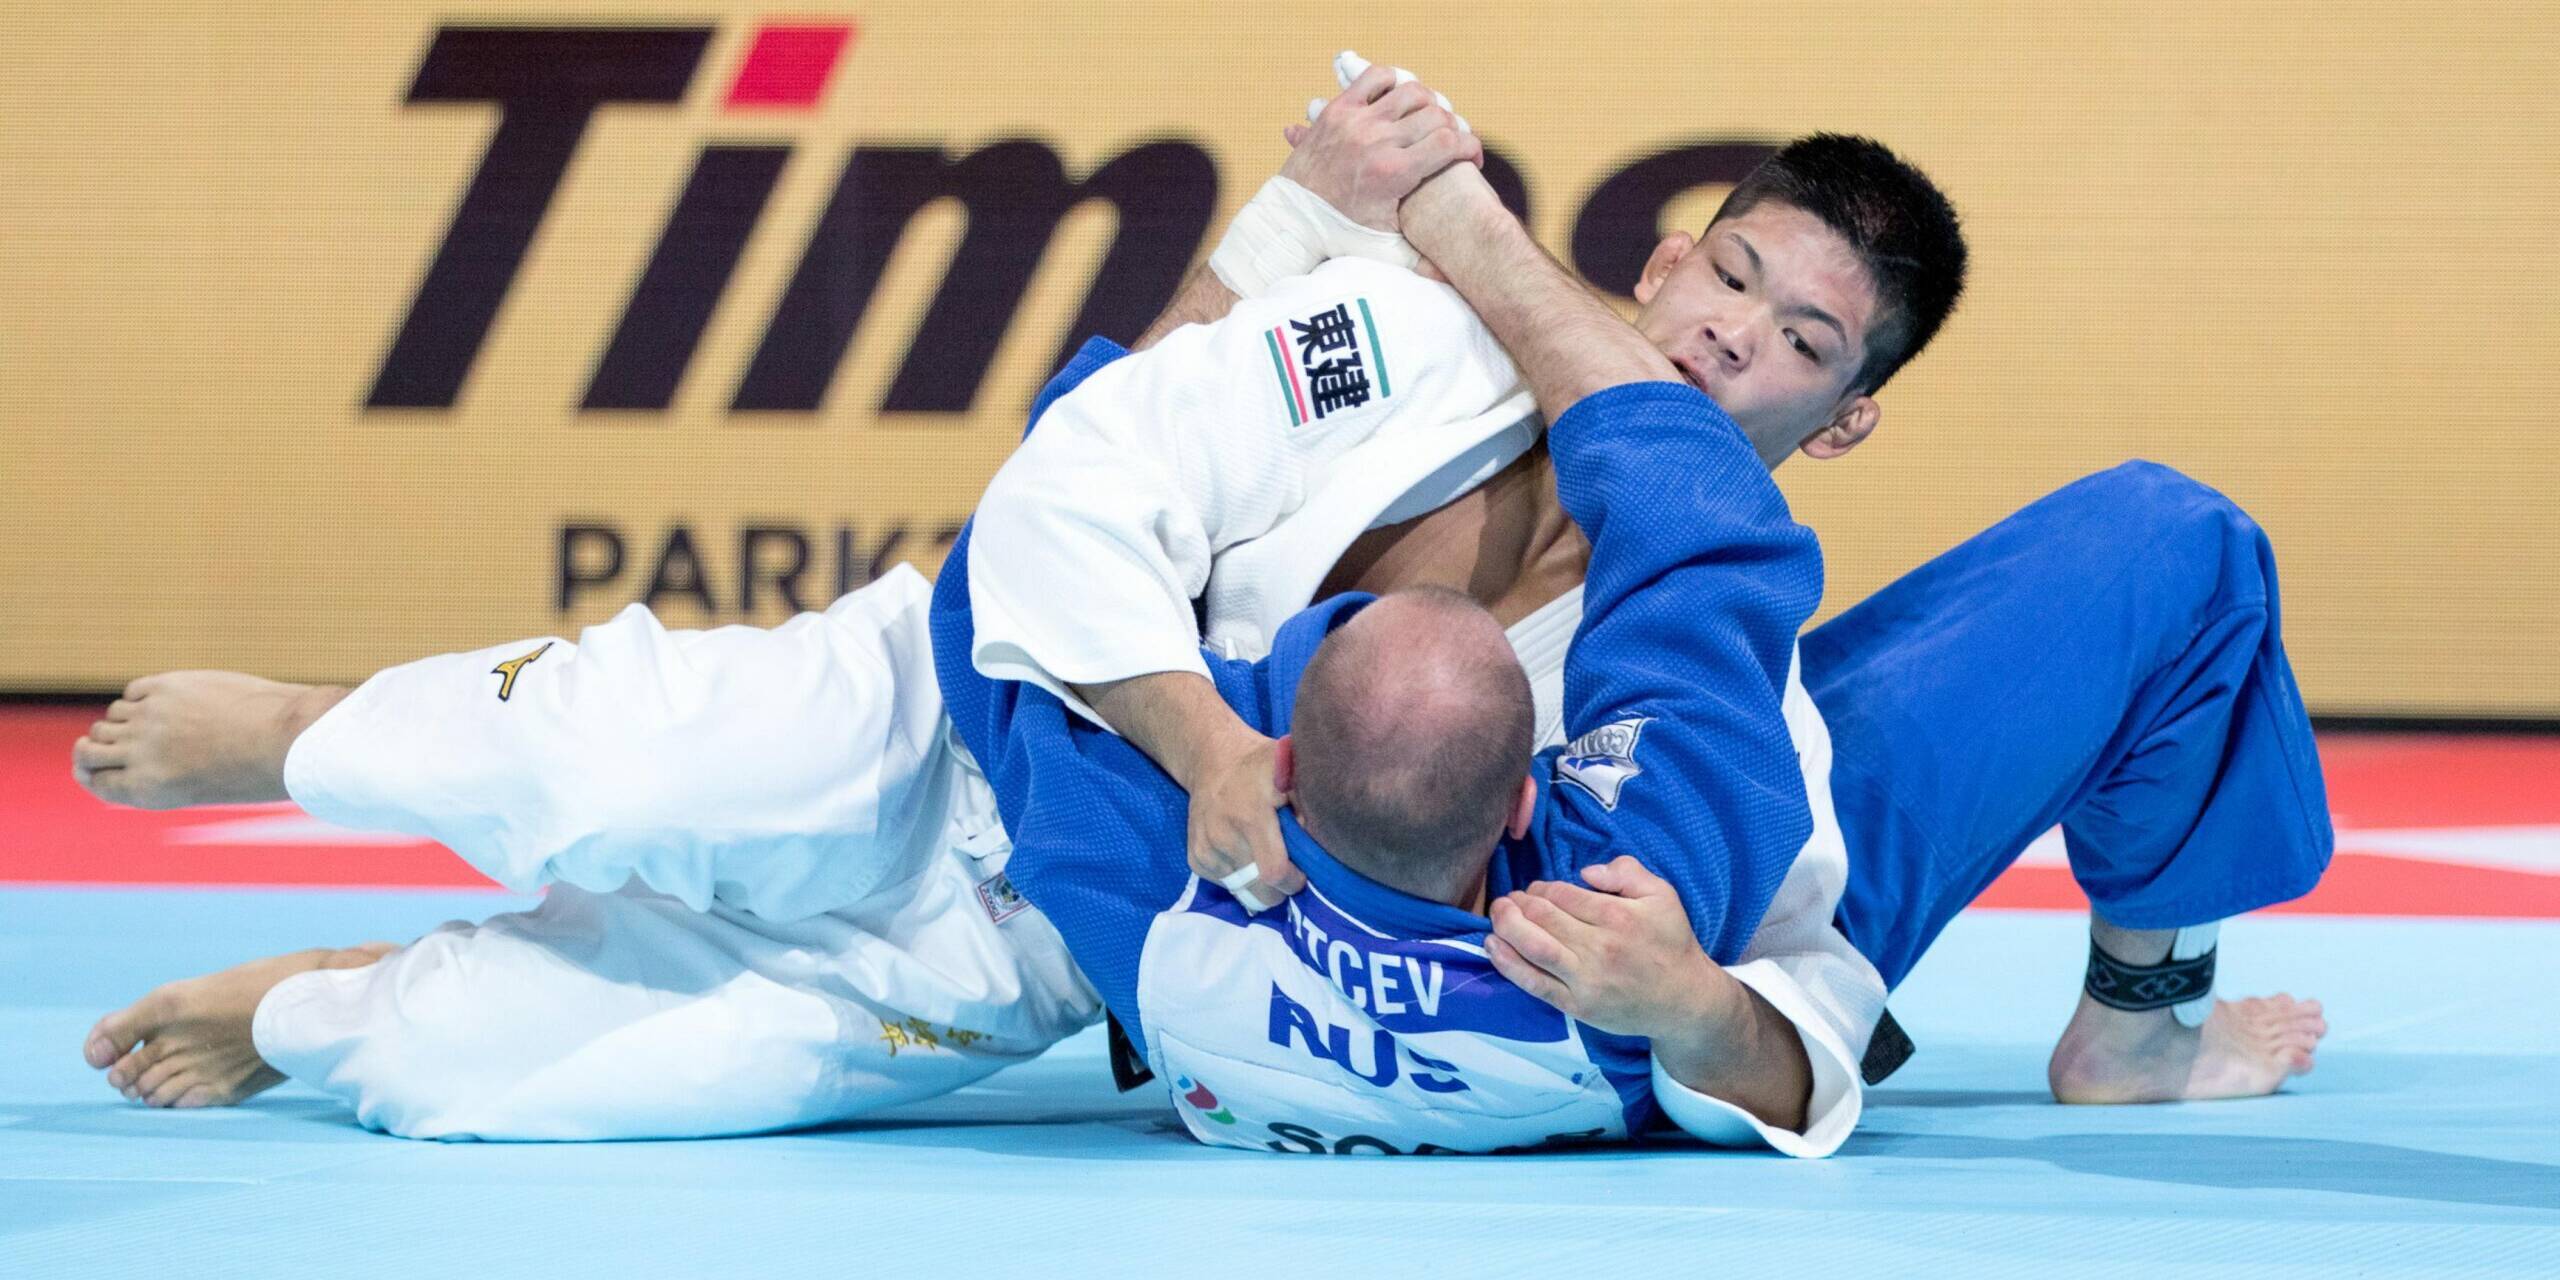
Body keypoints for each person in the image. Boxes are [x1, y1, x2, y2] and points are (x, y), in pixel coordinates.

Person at [72, 58, 2321, 1145]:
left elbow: (1777, 936)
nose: (1735, 332)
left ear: (1837, 421)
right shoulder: (1406, 336)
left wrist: (1706, 1016)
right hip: (994, 705)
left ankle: (331, 1007)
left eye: (1798, 340)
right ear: (1660, 258)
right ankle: (312, 735)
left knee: (594, 1080)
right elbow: (1080, 474)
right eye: (1727, 274)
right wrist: (1208, 740)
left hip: (1090, 922)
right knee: (644, 754)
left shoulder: (1712, 645)